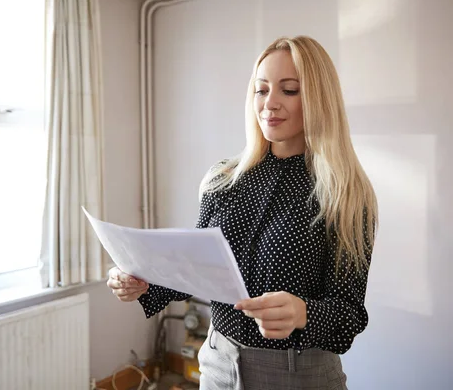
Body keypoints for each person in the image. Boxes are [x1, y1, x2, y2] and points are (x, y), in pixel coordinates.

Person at [106, 35, 378, 390]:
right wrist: (142, 282)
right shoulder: (223, 179)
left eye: (289, 90)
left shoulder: (345, 194)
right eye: (261, 90)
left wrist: (304, 314)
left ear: (319, 98)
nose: (270, 104)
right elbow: (193, 269)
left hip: (299, 375)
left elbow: (349, 313)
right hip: (218, 363)